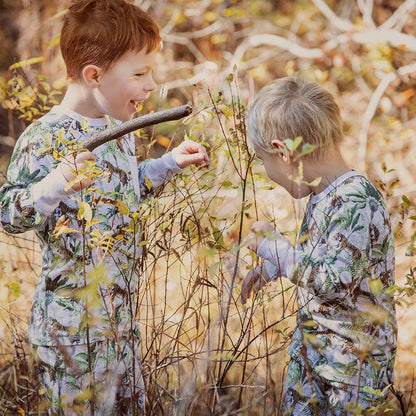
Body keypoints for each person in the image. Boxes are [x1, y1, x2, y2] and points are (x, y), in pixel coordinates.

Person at [0, 0, 208, 414]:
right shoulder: (44, 138)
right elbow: (8, 214)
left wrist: (167, 165)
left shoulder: (119, 131)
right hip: (71, 336)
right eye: (140, 73)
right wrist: (56, 183)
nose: (152, 86)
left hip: (121, 328)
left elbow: (122, 193)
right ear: (93, 76)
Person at [241, 77, 397, 415]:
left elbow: (336, 283)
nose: (265, 170)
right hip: (316, 360)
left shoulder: (355, 199)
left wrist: (276, 250)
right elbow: (323, 255)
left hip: (352, 374)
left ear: (284, 153)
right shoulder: (325, 194)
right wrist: (270, 268)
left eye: (262, 159)